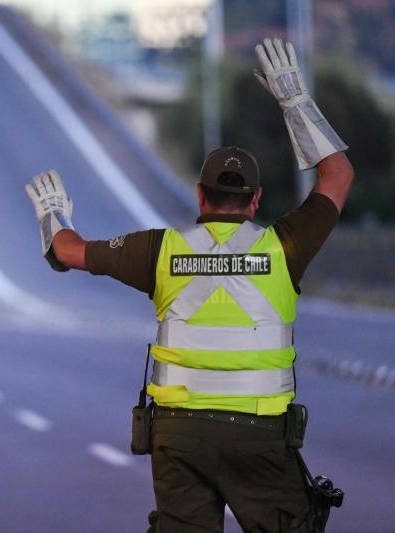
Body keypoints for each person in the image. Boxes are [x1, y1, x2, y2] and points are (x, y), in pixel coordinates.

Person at [25, 37, 353, 532]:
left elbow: (69, 251)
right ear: (256, 199)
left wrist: (54, 216)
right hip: (260, 436)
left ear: (200, 195)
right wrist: (294, 100)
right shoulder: (284, 248)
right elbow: (338, 174)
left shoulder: (159, 251)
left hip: (180, 437)